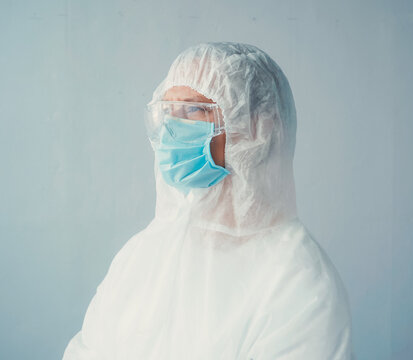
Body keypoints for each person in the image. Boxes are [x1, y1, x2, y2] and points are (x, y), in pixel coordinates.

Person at [62, 42, 354, 359]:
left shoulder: (298, 282)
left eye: (192, 110)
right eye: (167, 111)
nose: (171, 129)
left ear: (258, 126)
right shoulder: (142, 253)